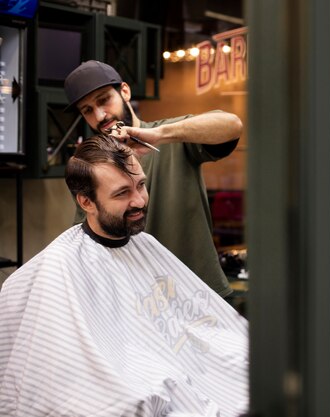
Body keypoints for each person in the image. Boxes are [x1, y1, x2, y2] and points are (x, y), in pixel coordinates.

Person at [0, 135, 248, 416]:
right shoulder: (60, 267)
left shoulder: (147, 246)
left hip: (191, 367)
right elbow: (73, 379)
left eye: (141, 185)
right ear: (86, 202)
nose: (140, 201)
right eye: (121, 193)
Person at [63, 60, 242, 298]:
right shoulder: (91, 166)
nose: (99, 115)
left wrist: (159, 135)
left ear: (124, 91)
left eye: (104, 99)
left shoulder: (171, 138)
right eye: (87, 110)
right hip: (141, 304)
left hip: (198, 293)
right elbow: (87, 240)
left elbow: (232, 125)